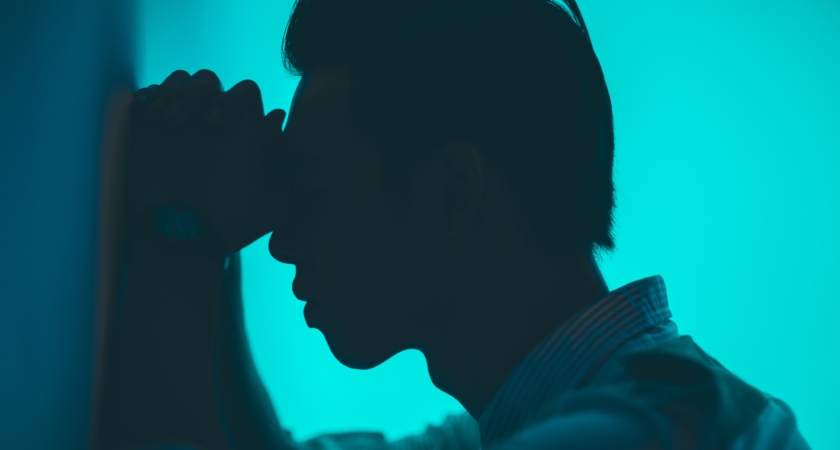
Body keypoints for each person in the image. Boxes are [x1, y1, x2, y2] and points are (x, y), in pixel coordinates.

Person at [94, 0, 810, 449]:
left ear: (454, 195)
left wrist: (178, 233)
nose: (281, 236)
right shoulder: (596, 408)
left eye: (309, 189)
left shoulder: (641, 432)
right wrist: (209, 230)